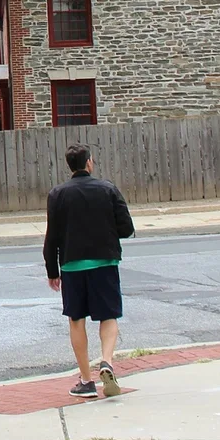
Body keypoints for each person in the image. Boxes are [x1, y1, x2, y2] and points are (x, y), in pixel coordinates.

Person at [44, 142, 135, 399]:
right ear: (89, 163)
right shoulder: (107, 189)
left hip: (72, 265)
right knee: (108, 316)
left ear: (69, 166)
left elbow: (52, 237)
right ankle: (106, 361)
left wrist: (53, 270)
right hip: (104, 263)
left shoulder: (57, 194)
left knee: (76, 320)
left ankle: (86, 380)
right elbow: (126, 228)